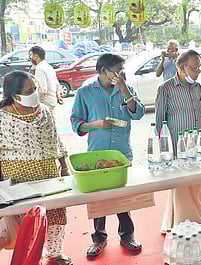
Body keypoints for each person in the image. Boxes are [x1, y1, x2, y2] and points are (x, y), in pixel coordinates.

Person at [0, 71, 72, 265]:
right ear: (15, 95)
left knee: (56, 215)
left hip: (49, 176)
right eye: (30, 91)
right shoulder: (0, 118)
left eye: (35, 89)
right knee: (27, 224)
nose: (35, 94)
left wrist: (64, 168)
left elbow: (55, 141)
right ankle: (32, 257)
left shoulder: (44, 111)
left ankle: (55, 255)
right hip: (19, 182)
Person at [70, 53, 145, 257]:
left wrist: (124, 90)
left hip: (121, 153)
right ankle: (99, 238)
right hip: (97, 153)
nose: (120, 74)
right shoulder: (85, 92)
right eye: (117, 71)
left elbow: (138, 113)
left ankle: (127, 235)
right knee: (99, 199)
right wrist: (95, 124)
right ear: (103, 70)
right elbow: (76, 123)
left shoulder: (125, 88)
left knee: (123, 197)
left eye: (122, 70)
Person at [156, 50, 201, 232]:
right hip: (178, 145)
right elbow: (160, 121)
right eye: (195, 68)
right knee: (182, 185)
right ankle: (181, 222)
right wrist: (163, 147)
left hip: (198, 144)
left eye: (199, 68)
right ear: (182, 67)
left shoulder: (197, 87)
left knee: (198, 183)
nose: (198, 71)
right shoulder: (165, 89)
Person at [29, 46, 63, 115]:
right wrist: (58, 96)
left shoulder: (40, 69)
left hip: (45, 103)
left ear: (36, 56)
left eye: (31, 55)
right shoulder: (48, 66)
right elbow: (57, 84)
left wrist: (38, 103)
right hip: (52, 100)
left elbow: (43, 90)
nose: (30, 57)